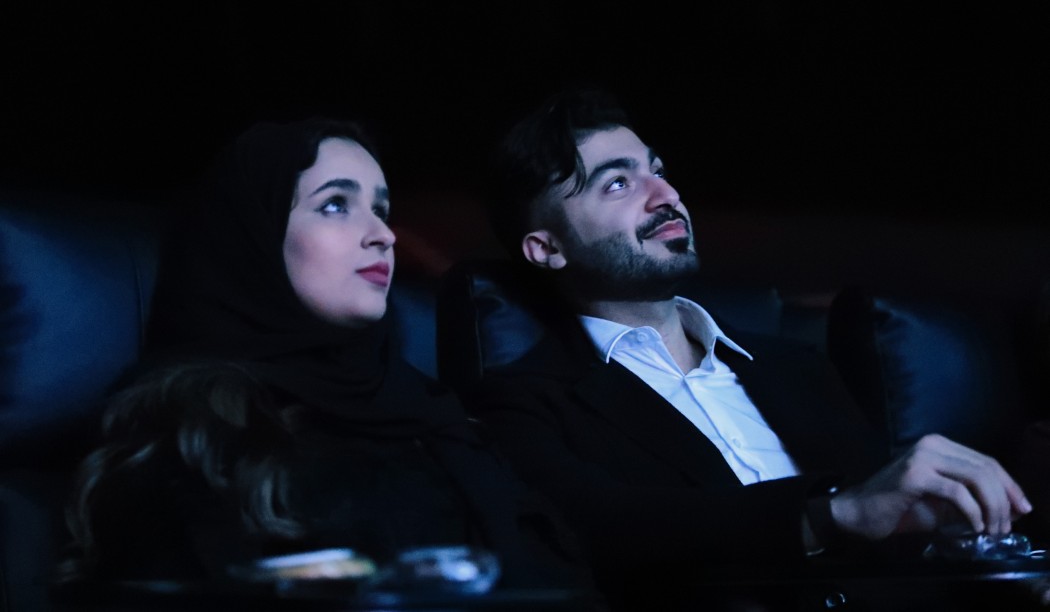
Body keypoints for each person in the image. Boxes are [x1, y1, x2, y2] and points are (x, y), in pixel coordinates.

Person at [452, 87, 1035, 611]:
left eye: (658, 170)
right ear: (547, 248)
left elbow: (895, 542)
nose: (666, 195)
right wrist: (833, 512)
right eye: (619, 184)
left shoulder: (796, 369)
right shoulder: (523, 403)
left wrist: (997, 567)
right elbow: (600, 528)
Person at [58, 116, 603, 609]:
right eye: (336, 205)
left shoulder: (430, 409)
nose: (383, 234)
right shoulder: (189, 429)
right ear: (257, 233)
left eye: (381, 210)